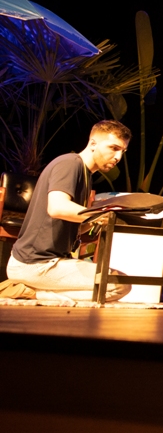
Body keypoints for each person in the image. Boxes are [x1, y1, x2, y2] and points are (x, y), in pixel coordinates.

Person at [5, 120, 132, 301]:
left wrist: (102, 218)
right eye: (113, 148)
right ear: (93, 144)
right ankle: (31, 293)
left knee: (114, 282)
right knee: (118, 284)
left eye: (123, 152)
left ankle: (37, 292)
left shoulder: (85, 175)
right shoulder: (70, 164)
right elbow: (57, 208)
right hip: (35, 263)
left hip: (51, 261)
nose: (118, 157)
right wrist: (97, 215)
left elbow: (73, 227)